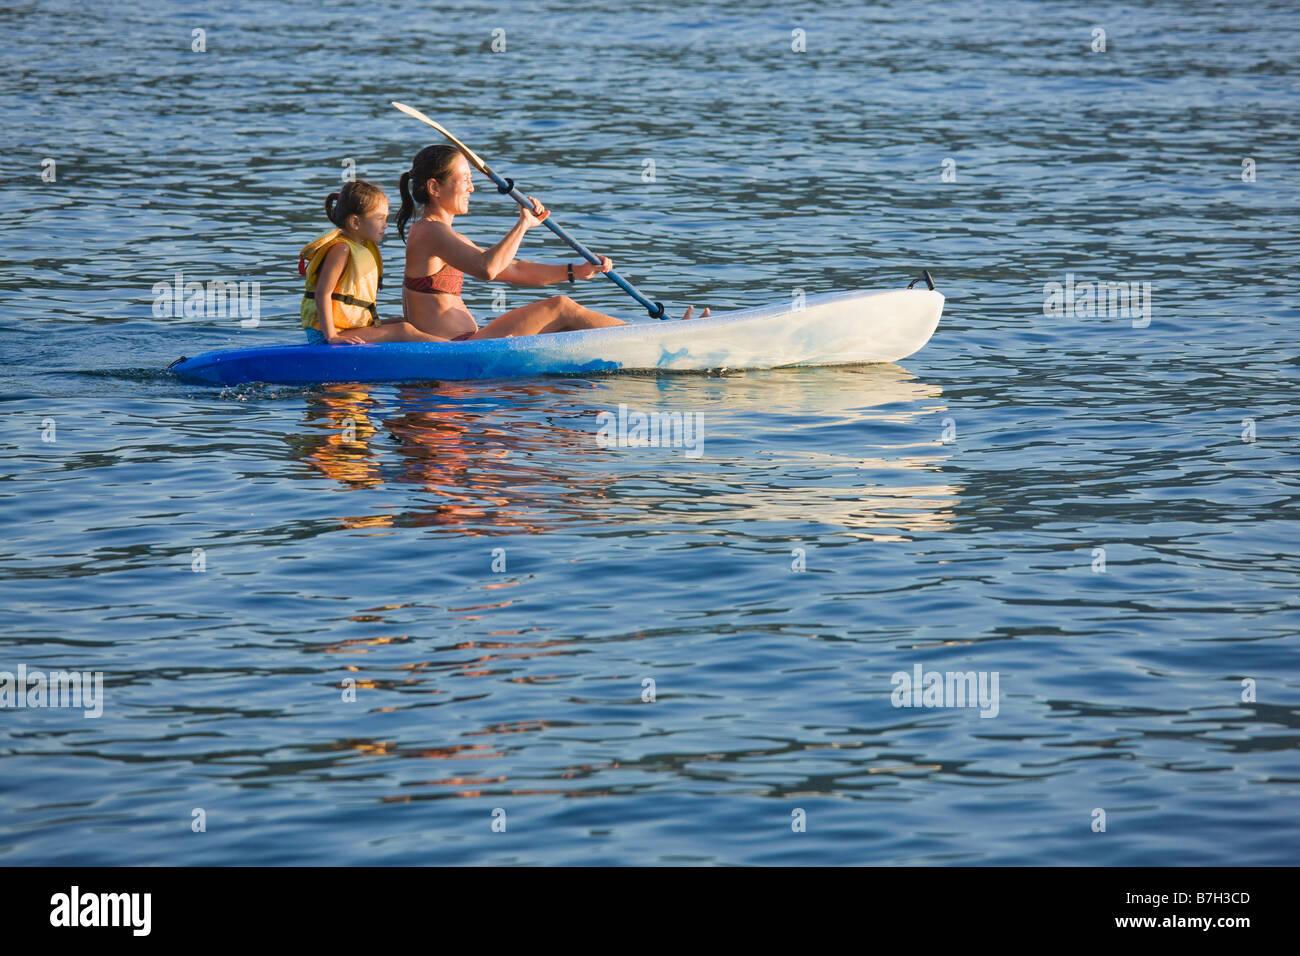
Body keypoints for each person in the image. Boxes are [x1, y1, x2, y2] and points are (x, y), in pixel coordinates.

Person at [396, 145, 708, 341]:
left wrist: (575, 270)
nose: (472, 188)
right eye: (464, 180)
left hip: (470, 341)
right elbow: (488, 268)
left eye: (470, 179)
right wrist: (524, 224)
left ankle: (651, 338)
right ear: (435, 187)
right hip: (457, 349)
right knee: (561, 308)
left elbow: (513, 269)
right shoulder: (428, 231)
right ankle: (659, 338)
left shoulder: (446, 235)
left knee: (566, 321)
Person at [300, 180, 441, 344]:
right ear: (355, 222)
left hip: (347, 329)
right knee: (404, 330)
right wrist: (332, 337)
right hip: (326, 335)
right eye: (380, 218)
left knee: (404, 322)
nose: (385, 225)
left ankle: (443, 345)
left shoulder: (361, 247)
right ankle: (453, 350)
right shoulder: (341, 250)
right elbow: (322, 293)